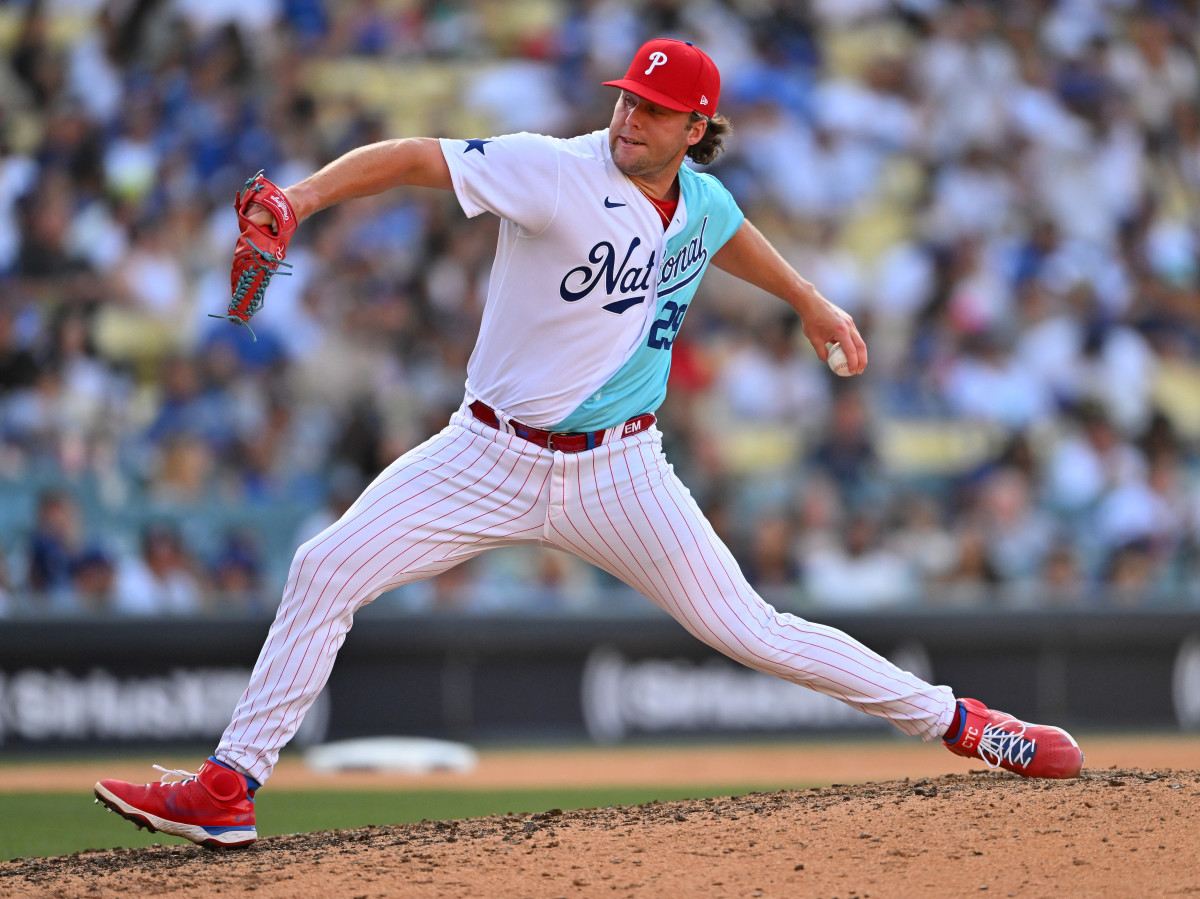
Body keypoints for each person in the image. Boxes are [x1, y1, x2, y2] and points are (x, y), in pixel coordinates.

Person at [94, 38, 1083, 850]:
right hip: (484, 456)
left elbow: (728, 227)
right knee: (322, 567)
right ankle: (230, 785)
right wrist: (300, 200)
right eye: (626, 99)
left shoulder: (696, 195)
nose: (629, 117)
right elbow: (413, 157)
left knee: (755, 629)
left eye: (653, 108)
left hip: (621, 468)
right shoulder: (555, 169)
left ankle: (965, 723)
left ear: (696, 128)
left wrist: (810, 299)